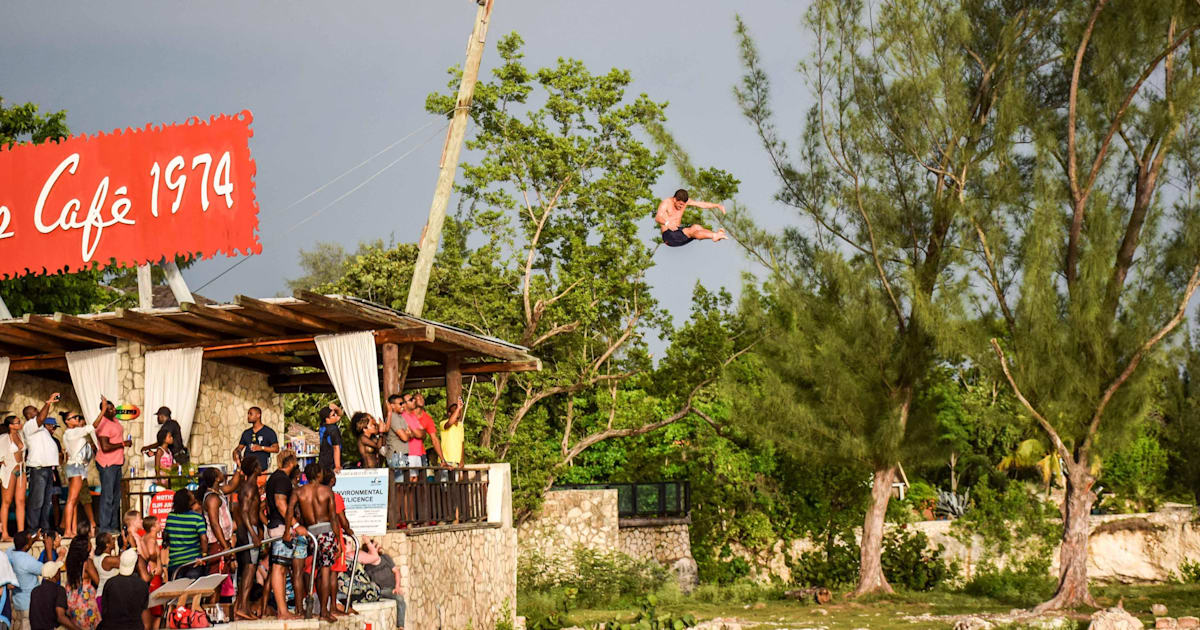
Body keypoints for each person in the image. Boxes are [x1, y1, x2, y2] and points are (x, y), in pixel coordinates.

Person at [289, 465, 340, 623]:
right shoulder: (327, 491)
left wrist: (294, 527)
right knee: (325, 571)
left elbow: (289, 511)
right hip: (326, 531)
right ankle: (324, 611)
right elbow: (333, 517)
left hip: (310, 532)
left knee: (316, 571)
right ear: (319, 474)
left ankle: (314, 606)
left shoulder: (299, 492)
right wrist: (338, 540)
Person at [263, 452, 303, 620]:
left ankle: (283, 610)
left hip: (279, 525)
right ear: (292, 462)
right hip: (281, 527)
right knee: (279, 570)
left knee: (281, 569)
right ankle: (282, 611)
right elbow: (280, 503)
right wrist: (295, 524)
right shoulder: (281, 479)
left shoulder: (275, 478)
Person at [198, 467, 239, 602]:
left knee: (223, 578)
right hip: (217, 542)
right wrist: (224, 546)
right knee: (216, 579)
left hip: (224, 540)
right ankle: (212, 610)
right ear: (216, 478)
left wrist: (238, 466)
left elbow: (233, 485)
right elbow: (215, 524)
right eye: (219, 472)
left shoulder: (219, 492)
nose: (222, 474)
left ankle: (219, 609)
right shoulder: (211, 498)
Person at [23, 394, 61, 535]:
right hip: (37, 470)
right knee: (36, 502)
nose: (37, 410)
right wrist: (48, 402)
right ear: (28, 415)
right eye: (34, 409)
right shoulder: (29, 426)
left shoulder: (42, 429)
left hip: (47, 469)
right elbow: (40, 418)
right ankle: (33, 530)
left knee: (46, 503)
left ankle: (44, 529)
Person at [232, 456, 264, 621]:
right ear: (254, 468)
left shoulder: (251, 486)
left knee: (248, 571)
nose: (261, 467)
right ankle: (244, 607)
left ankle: (240, 607)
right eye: (259, 465)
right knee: (249, 571)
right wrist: (253, 534)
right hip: (248, 534)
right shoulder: (249, 487)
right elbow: (244, 512)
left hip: (250, 532)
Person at [93, 397, 130, 535]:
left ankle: (114, 526)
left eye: (113, 407)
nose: (114, 410)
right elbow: (105, 446)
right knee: (107, 496)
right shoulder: (102, 424)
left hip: (117, 463)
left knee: (116, 497)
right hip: (107, 463)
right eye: (110, 409)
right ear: (103, 411)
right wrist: (123, 444)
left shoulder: (114, 421)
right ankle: (104, 527)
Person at [353, 538, 405, 630]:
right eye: (375, 546)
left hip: (390, 589)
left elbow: (396, 572)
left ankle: (400, 626)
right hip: (379, 591)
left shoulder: (385, 558)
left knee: (400, 599)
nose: (379, 547)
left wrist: (397, 586)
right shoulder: (366, 566)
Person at [61, 413, 98, 539]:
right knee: (71, 500)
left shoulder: (71, 433)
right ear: (67, 421)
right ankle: (67, 531)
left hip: (77, 467)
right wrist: (102, 411)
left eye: (77, 417)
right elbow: (93, 426)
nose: (77, 419)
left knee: (75, 501)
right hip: (76, 466)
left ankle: (73, 530)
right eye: (74, 418)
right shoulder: (72, 433)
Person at [8, 531, 54, 630]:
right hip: (29, 604)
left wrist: (31, 541)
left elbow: (18, 547)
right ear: (26, 545)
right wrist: (49, 549)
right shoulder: (26, 560)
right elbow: (50, 571)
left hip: (17, 603)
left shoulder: (10, 554)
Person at [654, 189, 727, 247]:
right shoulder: (666, 203)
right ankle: (714, 235)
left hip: (678, 231)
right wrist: (667, 223)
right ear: (675, 199)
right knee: (691, 231)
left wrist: (717, 205)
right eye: (680, 204)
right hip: (669, 236)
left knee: (696, 227)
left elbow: (701, 204)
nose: (681, 207)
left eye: (683, 205)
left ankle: (715, 235)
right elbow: (657, 217)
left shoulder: (686, 201)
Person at [97, 549, 150, 630]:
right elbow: (145, 617)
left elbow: (104, 610)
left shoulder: (110, 583)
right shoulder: (142, 585)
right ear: (136, 565)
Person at [163, 489, 207, 581]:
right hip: (194, 562)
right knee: (194, 592)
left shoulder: (170, 517)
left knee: (178, 593)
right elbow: (203, 538)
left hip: (175, 563)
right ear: (188, 501)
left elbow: (167, 536)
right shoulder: (197, 518)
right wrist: (204, 555)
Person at [29, 559, 78, 630]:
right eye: (58, 571)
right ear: (55, 574)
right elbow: (61, 617)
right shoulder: (59, 590)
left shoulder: (35, 591)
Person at [0, 415, 27, 541]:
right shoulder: (4, 438)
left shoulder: (21, 435)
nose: (19, 424)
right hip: (9, 469)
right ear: (10, 425)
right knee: (6, 501)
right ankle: (5, 533)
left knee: (21, 501)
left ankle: (21, 532)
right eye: (17, 423)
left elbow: (23, 452)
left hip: (21, 469)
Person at [135, 516, 165, 629]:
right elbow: (151, 552)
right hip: (154, 577)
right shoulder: (151, 539)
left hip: (150, 576)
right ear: (153, 527)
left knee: (151, 611)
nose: (160, 525)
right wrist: (157, 562)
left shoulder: (144, 537)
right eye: (157, 523)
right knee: (157, 612)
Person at [64, 535, 99, 630]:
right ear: (86, 547)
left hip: (72, 599)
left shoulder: (70, 561)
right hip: (85, 600)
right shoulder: (87, 563)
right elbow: (97, 581)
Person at [405, 394, 445, 476]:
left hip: (421, 453)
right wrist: (420, 434)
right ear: (413, 401)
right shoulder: (407, 414)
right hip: (407, 452)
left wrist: (442, 460)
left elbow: (434, 439)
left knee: (422, 481)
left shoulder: (428, 418)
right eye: (418, 398)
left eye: (422, 398)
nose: (421, 399)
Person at [233, 407, 278, 474]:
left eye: (250, 414)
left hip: (261, 471)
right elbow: (239, 448)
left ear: (258, 415)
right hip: (246, 471)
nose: (248, 416)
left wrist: (261, 448)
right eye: (248, 414)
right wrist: (236, 454)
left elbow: (276, 449)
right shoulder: (246, 433)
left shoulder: (269, 432)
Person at [383, 395, 413, 477]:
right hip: (396, 455)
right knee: (399, 485)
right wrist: (408, 434)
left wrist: (408, 434)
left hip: (402, 455)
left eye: (403, 403)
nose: (403, 405)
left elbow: (411, 433)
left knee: (404, 484)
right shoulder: (393, 417)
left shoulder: (400, 417)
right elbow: (405, 437)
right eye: (400, 403)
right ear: (392, 406)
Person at [90, 532, 120, 605]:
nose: (114, 541)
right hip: (107, 597)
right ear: (107, 544)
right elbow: (126, 561)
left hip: (101, 594)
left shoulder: (96, 557)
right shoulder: (107, 560)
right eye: (112, 539)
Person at [317, 404, 343, 473]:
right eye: (333, 415)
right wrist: (337, 466)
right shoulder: (333, 429)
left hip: (322, 462)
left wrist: (336, 408)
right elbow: (336, 448)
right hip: (331, 465)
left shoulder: (323, 426)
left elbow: (339, 415)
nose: (336, 416)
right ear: (327, 419)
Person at [439, 399, 466, 468]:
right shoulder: (443, 423)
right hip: (446, 461)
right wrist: (458, 408)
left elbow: (462, 443)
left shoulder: (461, 425)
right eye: (455, 411)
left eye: (459, 411)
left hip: (457, 461)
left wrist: (462, 460)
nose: (457, 413)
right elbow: (450, 422)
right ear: (449, 414)